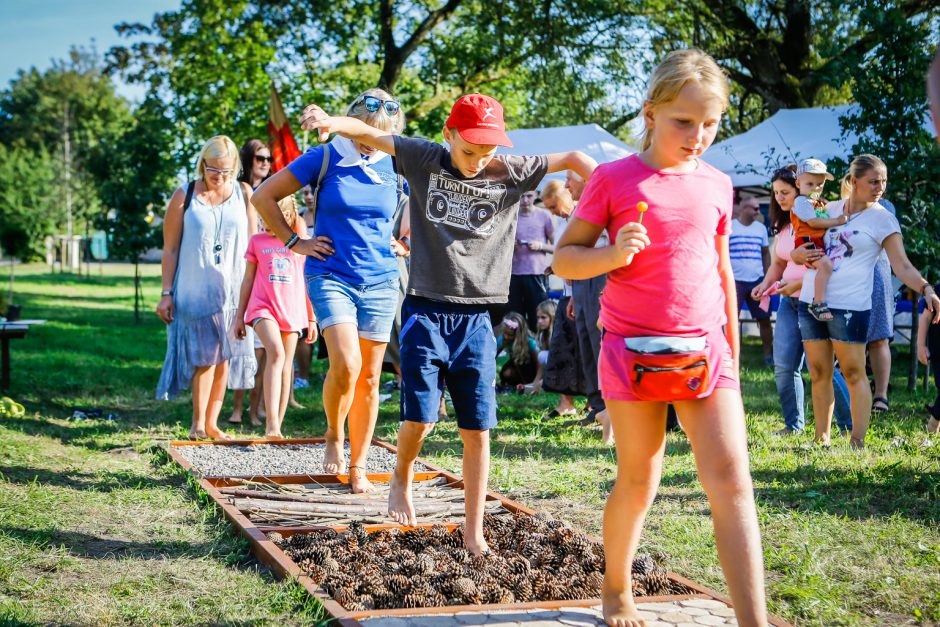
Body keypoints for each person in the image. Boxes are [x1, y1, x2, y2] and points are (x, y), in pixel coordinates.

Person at [298, 91, 596, 554]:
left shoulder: (511, 170)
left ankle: (474, 531)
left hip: (478, 316)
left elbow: (576, 157)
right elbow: (371, 132)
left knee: (477, 429)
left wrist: (613, 188)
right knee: (421, 419)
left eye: (488, 151)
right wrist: (333, 121)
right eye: (469, 150)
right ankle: (401, 479)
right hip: (425, 309)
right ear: (449, 136)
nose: (478, 162)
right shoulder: (424, 158)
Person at [554, 49, 767, 626]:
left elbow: (721, 269)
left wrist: (733, 352)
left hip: (707, 352)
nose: (698, 135)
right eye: (683, 122)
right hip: (631, 353)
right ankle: (616, 590)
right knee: (640, 479)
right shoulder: (614, 178)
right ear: (651, 113)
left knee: (732, 483)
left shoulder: (719, 185)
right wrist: (610, 253)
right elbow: (564, 259)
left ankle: (755, 620)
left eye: (710, 123)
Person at [253, 88, 407, 493]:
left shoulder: (397, 162)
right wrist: (294, 242)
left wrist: (405, 242)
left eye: (382, 129)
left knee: (371, 378)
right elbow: (263, 195)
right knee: (347, 363)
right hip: (331, 274)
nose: (373, 136)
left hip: (381, 279)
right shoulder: (327, 156)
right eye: (367, 128)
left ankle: (358, 464)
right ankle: (333, 435)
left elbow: (423, 208)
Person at [796, 154, 940, 448]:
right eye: (873, 181)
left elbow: (902, 266)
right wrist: (796, 255)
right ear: (853, 181)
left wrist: (925, 288)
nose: (880, 187)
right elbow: (798, 240)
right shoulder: (827, 208)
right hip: (812, 300)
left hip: (850, 305)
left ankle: (857, 440)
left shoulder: (883, 218)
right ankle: (821, 437)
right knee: (820, 372)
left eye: (883, 182)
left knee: (852, 371)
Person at [155, 135, 258, 439]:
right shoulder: (184, 195)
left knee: (224, 356)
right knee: (205, 357)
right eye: (214, 170)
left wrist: (254, 293)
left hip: (233, 289)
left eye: (226, 171)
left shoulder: (244, 193)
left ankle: (212, 423)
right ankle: (197, 424)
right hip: (194, 290)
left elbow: (253, 246)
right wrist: (165, 293)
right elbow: (170, 249)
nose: (219, 177)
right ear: (203, 164)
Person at [751, 166, 853, 436]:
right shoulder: (784, 225)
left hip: (810, 300)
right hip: (788, 302)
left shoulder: (818, 216)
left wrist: (797, 282)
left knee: (821, 369)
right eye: (776, 193)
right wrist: (764, 284)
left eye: (785, 192)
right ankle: (793, 425)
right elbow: (778, 263)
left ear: (801, 188)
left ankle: (849, 425)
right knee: (784, 366)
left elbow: (830, 262)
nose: (780, 198)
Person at [233, 195, 316, 438]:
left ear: (289, 217)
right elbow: (248, 279)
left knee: (286, 365)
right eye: (263, 217)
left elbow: (305, 281)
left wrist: (311, 319)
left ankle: (277, 426)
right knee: (276, 353)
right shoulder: (257, 241)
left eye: (272, 218)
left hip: (292, 310)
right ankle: (270, 423)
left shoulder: (300, 244)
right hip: (262, 308)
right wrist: (240, 316)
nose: (266, 223)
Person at [229, 139, 275, 425]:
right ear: (248, 159)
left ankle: (255, 409)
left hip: (268, 276)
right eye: (260, 158)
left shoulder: (273, 191)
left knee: (263, 350)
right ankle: (236, 408)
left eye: (269, 159)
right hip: (244, 270)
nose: (265, 164)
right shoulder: (237, 191)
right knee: (242, 348)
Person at [567, 170, 608, 426]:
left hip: (600, 275)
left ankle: (608, 407)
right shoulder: (577, 208)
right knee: (584, 340)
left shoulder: (603, 201)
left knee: (598, 341)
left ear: (584, 179)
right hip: (581, 281)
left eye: (570, 179)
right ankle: (595, 406)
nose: (565, 185)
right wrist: (572, 295)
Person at [539, 181, 582, 417]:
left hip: (584, 290)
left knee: (585, 350)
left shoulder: (583, 216)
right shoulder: (561, 222)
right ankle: (566, 403)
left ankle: (593, 405)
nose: (553, 211)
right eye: (549, 208)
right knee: (562, 349)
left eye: (554, 205)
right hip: (567, 293)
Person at [790, 158, 850, 322]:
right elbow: (813, 222)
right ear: (798, 184)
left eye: (820, 184)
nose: (816, 188)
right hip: (807, 241)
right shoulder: (801, 201)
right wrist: (837, 221)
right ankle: (818, 303)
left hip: (815, 241)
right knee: (826, 265)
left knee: (824, 267)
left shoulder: (816, 202)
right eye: (810, 184)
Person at [730, 196, 773, 365]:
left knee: (764, 318)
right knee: (732, 320)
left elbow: (765, 253)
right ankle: (733, 357)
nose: (758, 211)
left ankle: (768, 355)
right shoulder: (731, 227)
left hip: (757, 281)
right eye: (754, 208)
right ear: (743, 209)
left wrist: (767, 277)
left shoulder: (761, 228)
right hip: (735, 281)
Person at [864, 196, 897, 414]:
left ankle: (881, 395)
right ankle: (858, 391)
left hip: (877, 273)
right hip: (847, 276)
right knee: (851, 339)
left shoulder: (884, 206)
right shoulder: (842, 204)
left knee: (878, 337)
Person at [508, 190, 555, 331]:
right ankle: (518, 350)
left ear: (535, 195)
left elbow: (557, 247)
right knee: (515, 318)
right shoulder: (511, 216)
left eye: (528, 195)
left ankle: (540, 349)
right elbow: (499, 245)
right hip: (514, 274)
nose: (525, 200)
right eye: (522, 196)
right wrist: (512, 246)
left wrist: (540, 245)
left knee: (539, 317)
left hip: (537, 274)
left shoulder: (544, 216)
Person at [916, 280, 940, 434]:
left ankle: (934, 421)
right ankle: (933, 423)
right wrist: (920, 346)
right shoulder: (936, 291)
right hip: (939, 351)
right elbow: (925, 319)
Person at [496, 311, 540, 389]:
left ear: (519, 334)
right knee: (507, 373)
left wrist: (536, 382)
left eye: (510, 335)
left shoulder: (530, 343)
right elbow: (491, 358)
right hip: (516, 364)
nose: (506, 337)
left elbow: (539, 365)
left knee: (519, 365)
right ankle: (516, 385)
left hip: (530, 367)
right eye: (504, 333)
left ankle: (527, 384)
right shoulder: (502, 339)